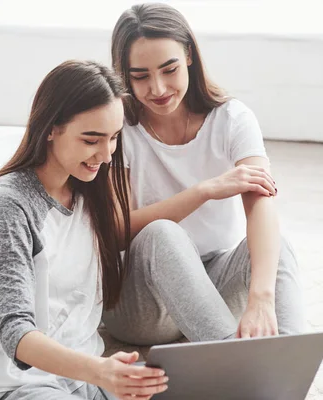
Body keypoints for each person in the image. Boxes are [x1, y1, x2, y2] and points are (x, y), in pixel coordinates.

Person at [0, 60, 168, 400]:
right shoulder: (10, 204)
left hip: (87, 380)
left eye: (113, 138)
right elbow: (16, 332)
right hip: (21, 386)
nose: (105, 154)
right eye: (91, 140)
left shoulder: (89, 190)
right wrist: (102, 370)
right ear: (51, 129)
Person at [102, 3, 306, 346]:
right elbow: (116, 230)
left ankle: (285, 360)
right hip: (141, 305)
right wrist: (203, 191)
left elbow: (262, 205)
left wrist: (261, 298)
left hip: (211, 286)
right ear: (124, 75)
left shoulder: (232, 118)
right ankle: (231, 365)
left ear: (189, 57)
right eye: (140, 76)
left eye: (170, 69)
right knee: (162, 234)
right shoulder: (119, 127)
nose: (158, 88)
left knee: (277, 247)